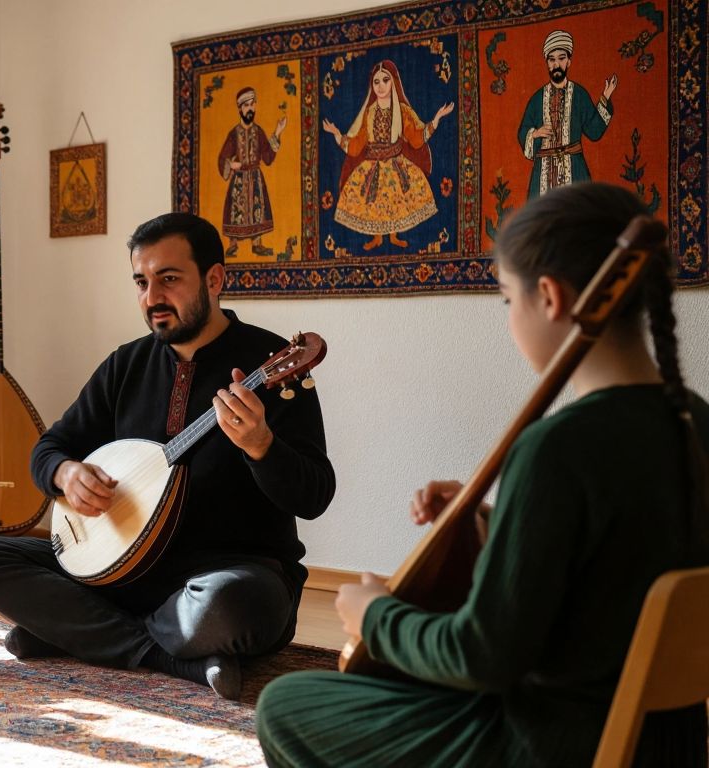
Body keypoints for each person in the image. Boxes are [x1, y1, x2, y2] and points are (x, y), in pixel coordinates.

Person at [255, 182, 709, 766]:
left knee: (288, 702)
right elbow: (617, 563)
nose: (509, 317)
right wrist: (494, 518)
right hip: (667, 744)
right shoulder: (694, 418)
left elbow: (481, 655)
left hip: (547, 741)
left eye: (506, 299)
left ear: (549, 297)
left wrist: (377, 614)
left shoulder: (557, 448)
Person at [0, 212, 335, 700]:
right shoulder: (126, 364)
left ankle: (79, 632)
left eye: (169, 279)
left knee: (233, 606)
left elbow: (315, 495)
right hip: (120, 570)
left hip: (223, 575)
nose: (152, 297)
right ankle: (161, 653)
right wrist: (65, 472)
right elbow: (49, 448)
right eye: (142, 281)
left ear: (214, 279)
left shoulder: (271, 366)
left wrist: (261, 446)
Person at [321, 59, 454, 251]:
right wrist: (336, 134)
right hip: (372, 163)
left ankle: (393, 236)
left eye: (385, 80)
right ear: (372, 86)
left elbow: (416, 138)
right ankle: (377, 238)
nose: (381, 86)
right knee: (373, 201)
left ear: (393, 82)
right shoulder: (369, 113)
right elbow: (357, 145)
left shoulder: (402, 111)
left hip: (395, 163)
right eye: (376, 82)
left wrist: (436, 119)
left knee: (394, 198)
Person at [517, 30, 616, 199]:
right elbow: (522, 132)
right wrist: (535, 134)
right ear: (547, 63)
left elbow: (593, 131)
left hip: (574, 170)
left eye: (561, 58)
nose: (556, 64)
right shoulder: (537, 98)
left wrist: (605, 97)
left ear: (569, 61)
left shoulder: (579, 94)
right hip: (543, 172)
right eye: (552, 59)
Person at [218, 87, 286, 257]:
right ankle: (233, 243)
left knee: (258, 207)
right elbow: (223, 157)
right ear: (240, 108)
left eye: (252, 104)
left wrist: (278, 132)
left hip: (255, 176)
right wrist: (231, 164)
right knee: (235, 209)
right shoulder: (234, 133)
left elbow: (268, 158)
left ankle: (257, 244)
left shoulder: (259, 131)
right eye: (246, 105)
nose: (250, 109)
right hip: (239, 178)